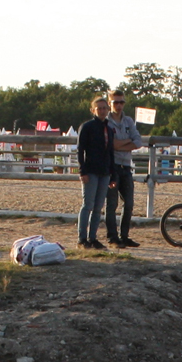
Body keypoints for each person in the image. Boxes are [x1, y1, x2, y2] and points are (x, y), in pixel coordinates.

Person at [77, 96, 117, 249]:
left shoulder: (109, 128)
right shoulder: (87, 127)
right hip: (91, 171)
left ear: (108, 110)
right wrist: (83, 171)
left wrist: (113, 174)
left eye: (104, 108)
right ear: (93, 110)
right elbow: (81, 150)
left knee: (99, 207)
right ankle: (82, 238)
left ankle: (93, 237)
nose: (102, 110)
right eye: (99, 108)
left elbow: (111, 152)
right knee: (88, 205)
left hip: (105, 172)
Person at [104, 90, 143, 248]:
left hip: (126, 166)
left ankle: (124, 235)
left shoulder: (128, 121)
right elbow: (109, 144)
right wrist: (127, 143)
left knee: (129, 203)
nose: (119, 105)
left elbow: (138, 141)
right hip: (111, 166)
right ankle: (112, 237)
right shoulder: (105, 122)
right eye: (116, 102)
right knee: (111, 204)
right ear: (109, 103)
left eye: (121, 102)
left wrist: (119, 144)